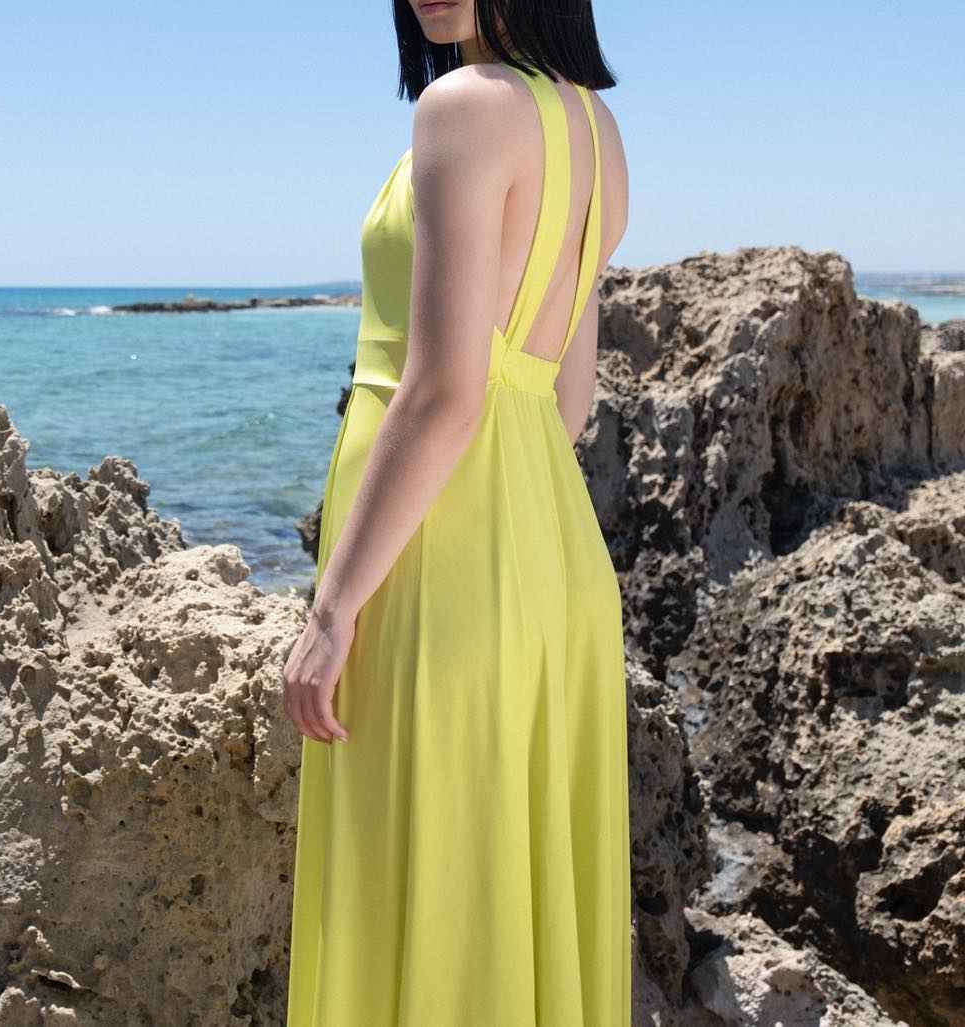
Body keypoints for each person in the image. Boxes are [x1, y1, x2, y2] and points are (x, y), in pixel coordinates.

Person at [281, 1, 630, 1023]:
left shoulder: (461, 108)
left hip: (433, 553)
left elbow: (441, 389)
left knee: (425, 891)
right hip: (545, 544)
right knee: (506, 893)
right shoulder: (597, 134)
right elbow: (568, 399)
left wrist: (333, 608)